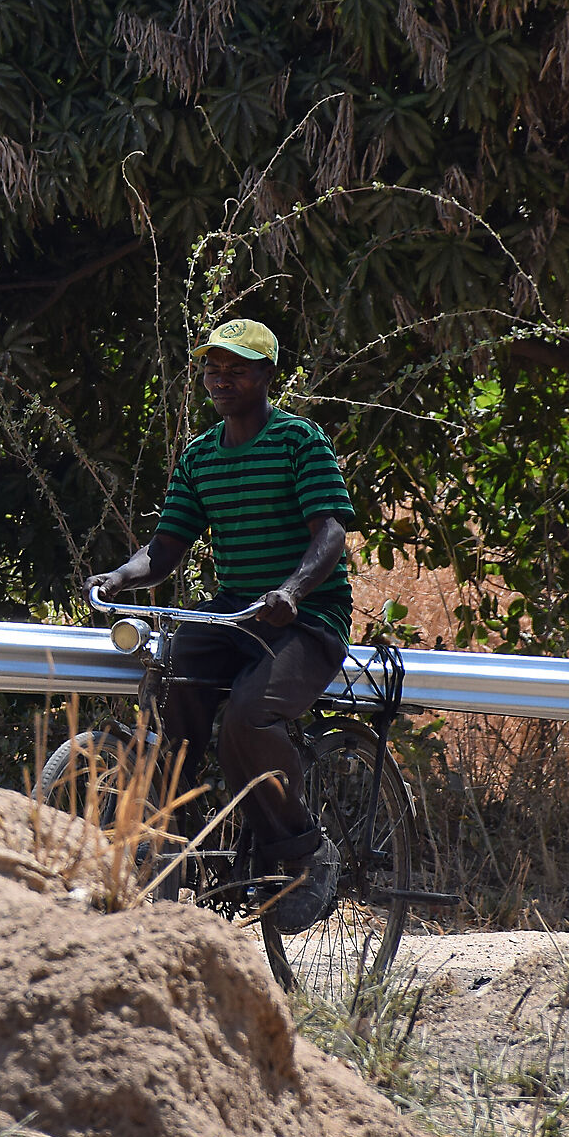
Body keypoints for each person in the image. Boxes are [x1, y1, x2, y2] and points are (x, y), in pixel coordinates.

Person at [86, 317, 355, 932]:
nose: (220, 379)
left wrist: (292, 592)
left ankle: (303, 852)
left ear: (267, 376)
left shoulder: (299, 441)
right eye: (212, 368)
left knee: (247, 717)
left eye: (237, 369)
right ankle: (170, 839)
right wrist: (122, 577)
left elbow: (331, 533)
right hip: (236, 610)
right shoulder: (200, 456)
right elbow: (165, 547)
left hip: (307, 618)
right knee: (174, 684)